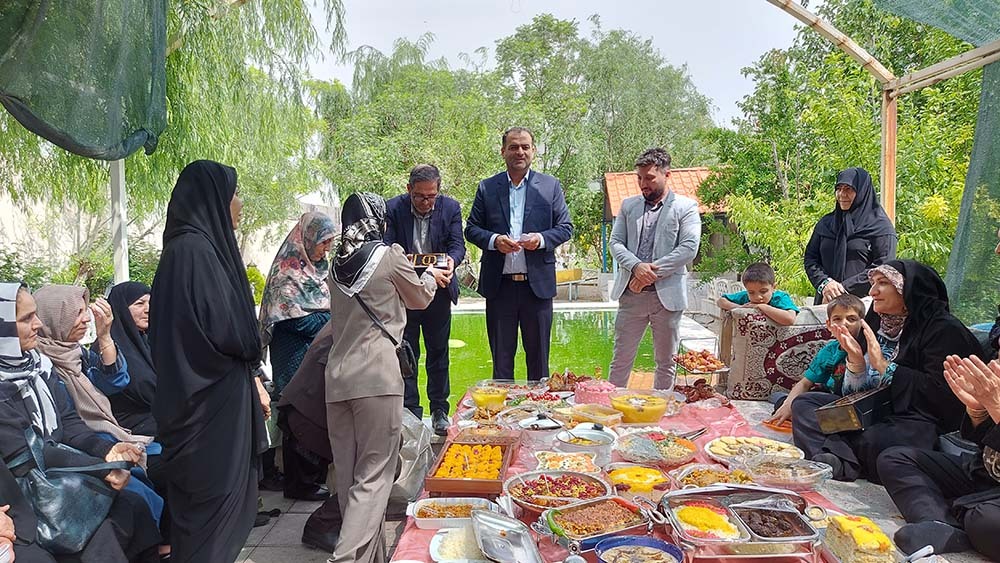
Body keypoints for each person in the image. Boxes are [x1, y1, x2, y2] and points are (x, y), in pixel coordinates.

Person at [148, 160, 269, 563]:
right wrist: (252, 346)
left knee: (201, 521)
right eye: (235, 194)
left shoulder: (183, 251)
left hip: (194, 402)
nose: (240, 203)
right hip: (209, 411)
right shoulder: (196, 253)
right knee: (212, 524)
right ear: (214, 200)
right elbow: (231, 332)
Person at [0, 282, 161, 562]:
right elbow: (26, 455)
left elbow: (69, 422)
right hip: (23, 493)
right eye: (26, 318)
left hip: (56, 473)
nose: (38, 324)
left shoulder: (38, 366)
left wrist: (106, 451)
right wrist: (99, 467)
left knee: (133, 506)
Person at [790, 260, 982, 482]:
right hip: (871, 408)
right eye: (873, 283)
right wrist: (856, 363)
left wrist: (884, 366)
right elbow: (852, 394)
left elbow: (943, 398)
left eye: (882, 283)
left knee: (878, 438)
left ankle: (837, 456)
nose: (873, 291)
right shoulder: (875, 321)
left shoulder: (945, 331)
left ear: (908, 288)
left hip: (913, 418)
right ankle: (840, 457)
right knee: (806, 405)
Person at [326, 192, 439, 563]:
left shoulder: (335, 265)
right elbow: (419, 298)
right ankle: (345, 558)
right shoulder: (389, 256)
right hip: (376, 377)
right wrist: (432, 277)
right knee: (374, 476)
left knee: (349, 479)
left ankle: (369, 557)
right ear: (378, 220)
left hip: (337, 380)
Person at [31, 285, 163, 530]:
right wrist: (104, 451)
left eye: (85, 311)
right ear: (54, 317)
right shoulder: (39, 366)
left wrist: (104, 336)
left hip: (103, 437)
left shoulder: (74, 353)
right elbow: (66, 425)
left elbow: (113, 382)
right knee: (140, 492)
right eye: (76, 313)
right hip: (80, 447)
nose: (86, 319)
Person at [465, 127, 573, 381]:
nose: (520, 152)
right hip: (500, 288)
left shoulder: (550, 186)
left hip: (537, 289)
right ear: (503, 151)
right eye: (513, 147)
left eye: (525, 147)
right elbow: (471, 229)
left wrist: (541, 239)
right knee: (501, 364)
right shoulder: (487, 188)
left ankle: (538, 407)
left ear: (533, 150)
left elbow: (565, 227)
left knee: (538, 363)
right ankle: (503, 407)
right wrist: (494, 241)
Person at [876, 355, 1000, 559]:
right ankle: (939, 523)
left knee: (984, 520)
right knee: (895, 459)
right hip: (985, 473)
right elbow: (986, 442)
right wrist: (978, 411)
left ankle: (967, 514)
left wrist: (995, 408)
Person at [258, 210, 336, 500]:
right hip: (293, 356)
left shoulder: (318, 269)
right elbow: (297, 321)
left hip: (315, 356)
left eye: (330, 242)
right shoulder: (287, 274)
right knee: (299, 416)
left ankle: (314, 477)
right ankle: (299, 484)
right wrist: (335, 319)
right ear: (308, 238)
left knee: (316, 414)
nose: (327, 248)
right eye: (323, 242)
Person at [607, 147, 701, 390]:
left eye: (649, 178)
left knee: (667, 362)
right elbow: (615, 243)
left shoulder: (686, 207)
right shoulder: (628, 206)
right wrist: (636, 266)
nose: (643, 184)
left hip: (667, 297)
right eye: (639, 178)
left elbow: (689, 248)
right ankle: (610, 407)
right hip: (632, 295)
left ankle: (661, 409)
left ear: (666, 175)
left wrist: (649, 274)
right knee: (620, 360)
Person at [384, 164, 466, 434]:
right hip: (405, 292)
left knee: (439, 353)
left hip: (438, 291)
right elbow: (387, 247)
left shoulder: (450, 208)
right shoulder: (393, 208)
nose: (426, 202)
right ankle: (410, 410)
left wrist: (452, 260)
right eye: (419, 196)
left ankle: (440, 410)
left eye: (431, 196)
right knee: (406, 352)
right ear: (408, 189)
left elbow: (457, 245)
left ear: (438, 191)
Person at [768, 294, 879, 425]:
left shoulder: (871, 348)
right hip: (827, 400)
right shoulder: (829, 351)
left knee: (799, 405)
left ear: (862, 323)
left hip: (856, 406)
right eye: (837, 319)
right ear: (829, 325)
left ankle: (813, 421)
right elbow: (805, 383)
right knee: (788, 401)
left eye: (852, 319)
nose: (844, 323)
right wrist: (788, 405)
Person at [804, 167, 897, 304]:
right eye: (839, 189)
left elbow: (883, 266)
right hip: (826, 301)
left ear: (862, 192)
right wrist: (824, 283)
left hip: (864, 304)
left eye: (848, 189)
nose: (842, 194)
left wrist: (843, 289)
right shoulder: (826, 224)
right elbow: (811, 258)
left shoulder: (880, 227)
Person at [106, 283, 156, 437]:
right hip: (132, 425)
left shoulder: (146, 341)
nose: (148, 309)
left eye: (150, 303)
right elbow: (145, 391)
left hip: (156, 415)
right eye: (139, 304)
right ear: (121, 308)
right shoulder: (110, 348)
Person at [717, 262, 799, 326]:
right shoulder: (745, 296)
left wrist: (761, 307)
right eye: (751, 292)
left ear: (774, 287)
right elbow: (721, 301)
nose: (758, 297)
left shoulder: (780, 298)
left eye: (763, 291)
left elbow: (790, 319)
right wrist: (740, 308)